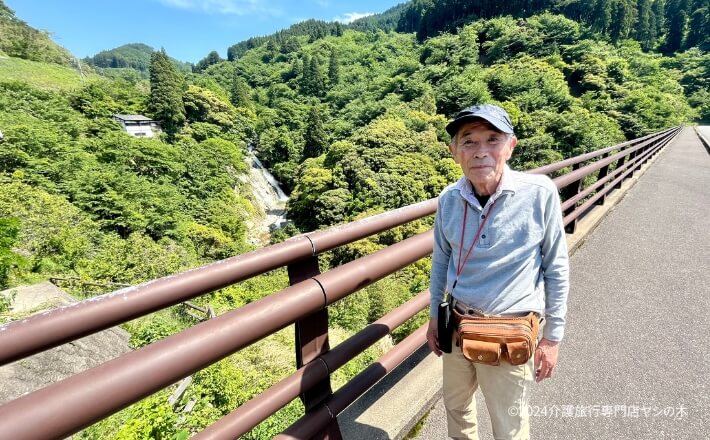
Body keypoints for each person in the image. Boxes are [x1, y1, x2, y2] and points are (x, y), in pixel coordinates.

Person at [426, 104, 570, 440]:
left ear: (511, 145)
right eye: (469, 141)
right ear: (454, 151)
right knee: (456, 408)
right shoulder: (449, 199)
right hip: (458, 327)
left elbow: (557, 266)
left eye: (492, 139)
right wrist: (435, 316)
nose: (481, 152)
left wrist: (552, 337)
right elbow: (441, 261)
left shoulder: (539, 193)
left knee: (509, 425)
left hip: (508, 332)